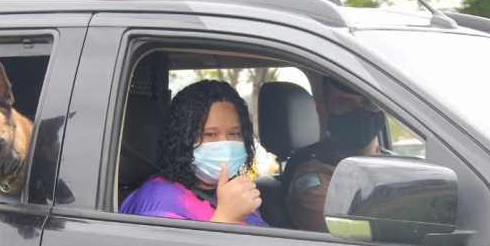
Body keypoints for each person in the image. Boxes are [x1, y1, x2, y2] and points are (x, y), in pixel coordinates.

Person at [120, 80, 267, 226]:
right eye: (210, 134)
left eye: (234, 133)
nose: (226, 146)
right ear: (183, 140)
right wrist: (226, 218)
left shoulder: (234, 192)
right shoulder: (159, 206)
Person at [284, 77, 387, 232]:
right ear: (323, 111)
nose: (359, 111)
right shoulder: (316, 179)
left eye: (368, 101)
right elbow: (362, 234)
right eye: (345, 103)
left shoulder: (392, 161)